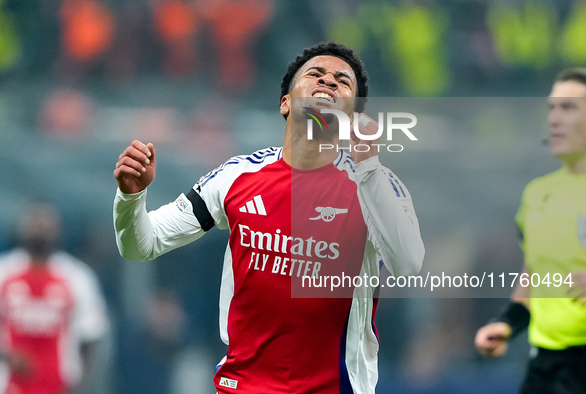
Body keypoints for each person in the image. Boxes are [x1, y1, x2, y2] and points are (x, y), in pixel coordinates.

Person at [113, 42, 424, 393]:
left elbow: (408, 265)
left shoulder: (377, 185)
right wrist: (131, 197)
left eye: (342, 82)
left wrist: (369, 170)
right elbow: (141, 245)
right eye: (315, 75)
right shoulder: (236, 177)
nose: (329, 83)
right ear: (285, 103)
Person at [474, 68, 586, 393]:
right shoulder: (537, 195)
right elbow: (534, 277)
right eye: (552, 108)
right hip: (546, 369)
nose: (554, 118)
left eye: (568, 108)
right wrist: (506, 324)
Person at [0, 202, 109, 394]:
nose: (40, 229)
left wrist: (80, 385)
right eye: (34, 223)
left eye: (46, 224)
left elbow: (91, 337)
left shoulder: (77, 278)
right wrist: (7, 356)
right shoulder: (5, 273)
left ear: (59, 230)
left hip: (59, 386)